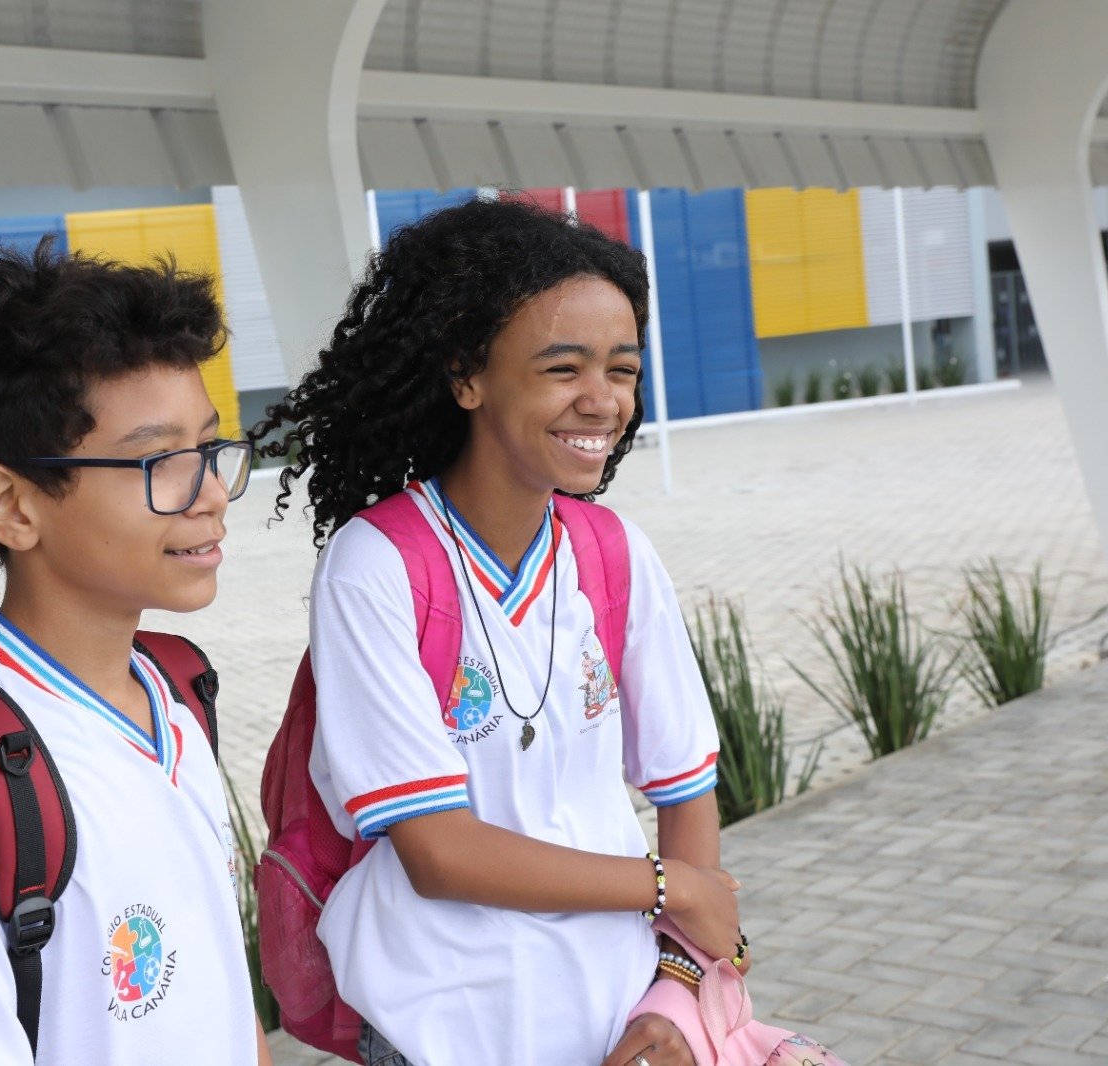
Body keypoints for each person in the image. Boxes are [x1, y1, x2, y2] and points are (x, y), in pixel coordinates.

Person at [250, 198, 741, 1066]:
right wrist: (671, 887)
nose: (602, 400)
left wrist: (674, 989)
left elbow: (683, 789)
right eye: (563, 368)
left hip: (619, 1025)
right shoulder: (377, 565)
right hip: (443, 1029)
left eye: (621, 369)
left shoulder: (614, 554)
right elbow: (439, 851)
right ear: (467, 375)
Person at [0, 237, 271, 1064]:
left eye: (211, 449)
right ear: (11, 505)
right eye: (159, 460)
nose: (212, 494)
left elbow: (220, 1002)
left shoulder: (174, 696)